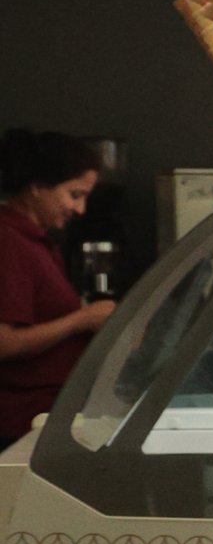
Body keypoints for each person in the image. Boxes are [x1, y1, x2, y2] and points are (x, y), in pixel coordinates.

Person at [0, 130, 110, 446]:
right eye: (74, 195)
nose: (80, 210)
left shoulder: (39, 242)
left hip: (44, 415)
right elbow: (3, 342)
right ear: (38, 188)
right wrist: (82, 319)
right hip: (18, 425)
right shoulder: (10, 241)